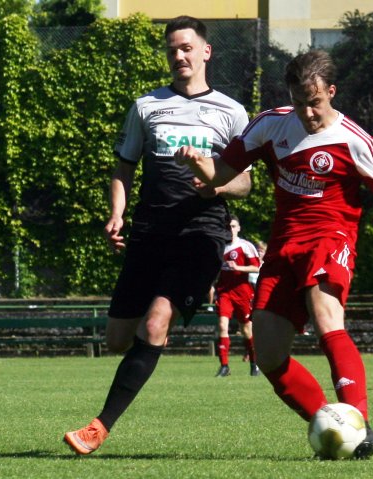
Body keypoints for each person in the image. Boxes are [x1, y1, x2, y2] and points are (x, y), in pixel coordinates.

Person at [175, 50, 373, 459]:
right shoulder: (270, 126)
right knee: (268, 354)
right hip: (284, 245)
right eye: (300, 101)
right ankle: (333, 424)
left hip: (331, 237)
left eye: (315, 102)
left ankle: (359, 422)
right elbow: (222, 174)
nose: (307, 112)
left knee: (326, 318)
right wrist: (199, 165)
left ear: (331, 92)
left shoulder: (354, 139)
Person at [63, 16, 251, 455]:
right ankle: (148, 348)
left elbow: (246, 183)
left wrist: (215, 184)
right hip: (149, 233)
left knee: (156, 321)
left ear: (206, 51)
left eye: (186, 47)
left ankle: (97, 428)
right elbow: (124, 167)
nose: (179, 55)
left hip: (201, 234)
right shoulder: (146, 106)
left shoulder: (232, 112)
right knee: (116, 339)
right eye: (172, 49)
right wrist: (117, 213)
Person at [214, 214, 261, 377]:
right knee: (222, 325)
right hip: (224, 291)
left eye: (233, 226)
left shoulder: (245, 246)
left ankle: (254, 363)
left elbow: (257, 268)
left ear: (239, 228)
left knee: (247, 329)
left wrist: (238, 268)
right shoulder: (219, 247)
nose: (231, 229)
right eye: (228, 226)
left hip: (242, 291)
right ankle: (224, 366)